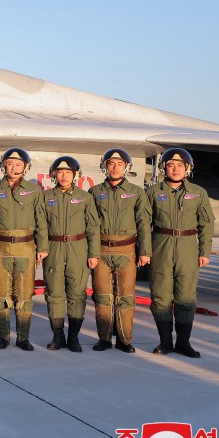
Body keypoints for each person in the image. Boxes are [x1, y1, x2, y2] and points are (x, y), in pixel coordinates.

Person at [146, 148, 215, 358]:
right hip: (161, 246)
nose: (175, 169)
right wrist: (145, 251)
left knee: (186, 297)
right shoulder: (153, 192)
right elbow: (143, 223)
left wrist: (205, 251)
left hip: (187, 247)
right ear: (163, 168)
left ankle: (183, 343)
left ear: (187, 168)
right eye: (170, 165)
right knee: (160, 296)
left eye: (180, 165)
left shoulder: (198, 193)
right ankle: (165, 342)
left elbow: (207, 223)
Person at [88, 148, 152, 353]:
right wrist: (91, 253)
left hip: (127, 250)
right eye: (111, 163)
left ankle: (125, 339)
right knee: (102, 296)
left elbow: (144, 223)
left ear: (126, 167)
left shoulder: (136, 192)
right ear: (105, 166)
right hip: (102, 250)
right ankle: (104, 338)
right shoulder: (95, 192)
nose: (115, 168)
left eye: (119, 164)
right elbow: (90, 224)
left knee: (126, 296)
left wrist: (145, 251)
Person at [0, 148, 48, 351]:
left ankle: (23, 337)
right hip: (1, 247)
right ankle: (3, 336)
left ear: (25, 167)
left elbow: (41, 220)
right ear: (4, 165)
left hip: (26, 247)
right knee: (0, 296)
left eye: (18, 164)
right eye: (10, 163)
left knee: (24, 297)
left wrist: (43, 246)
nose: (14, 167)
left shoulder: (34, 190)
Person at [42, 156, 100, 352]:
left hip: (78, 248)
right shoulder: (46, 196)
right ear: (54, 174)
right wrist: (42, 248)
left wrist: (94, 253)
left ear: (75, 175)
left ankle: (73, 337)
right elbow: (41, 226)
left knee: (77, 294)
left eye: (68, 172)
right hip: (54, 248)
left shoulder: (86, 197)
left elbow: (93, 227)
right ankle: (57, 335)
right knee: (55, 294)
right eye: (60, 172)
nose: (64, 176)